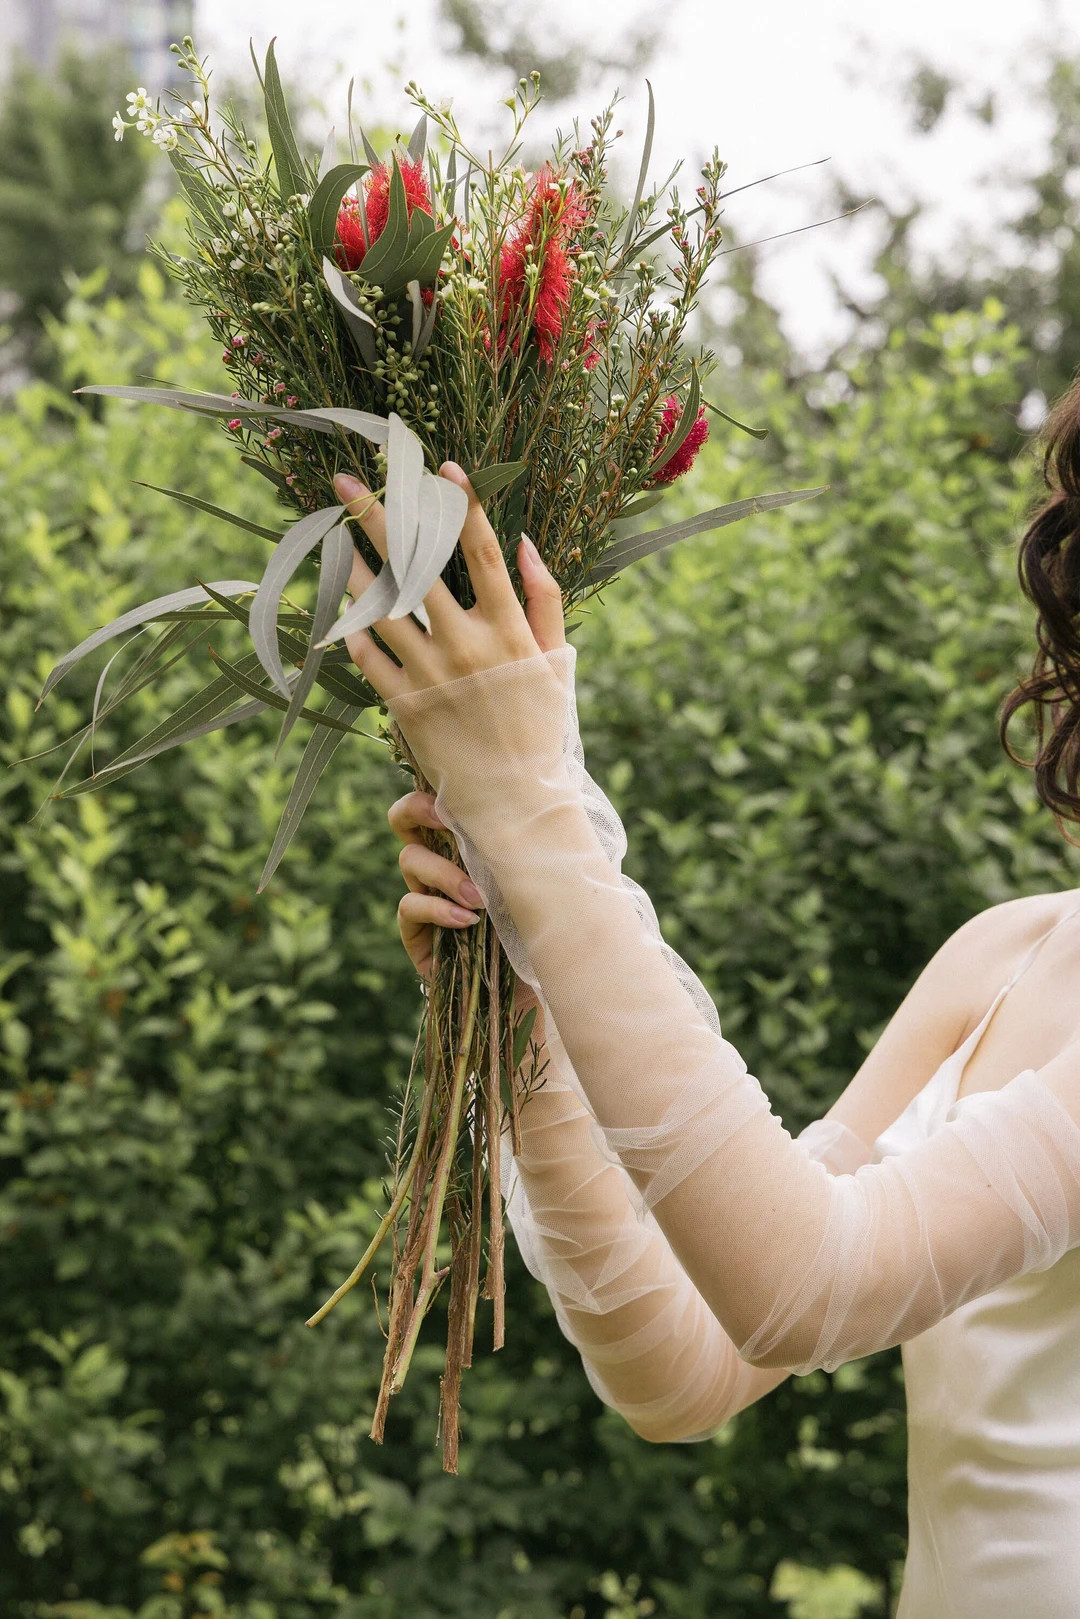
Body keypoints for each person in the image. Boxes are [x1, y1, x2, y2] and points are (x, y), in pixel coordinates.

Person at [328, 381, 1080, 1619]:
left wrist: (534, 818)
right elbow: (691, 1367)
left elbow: (810, 1283)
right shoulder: (1003, 955)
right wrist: (526, 1017)